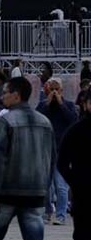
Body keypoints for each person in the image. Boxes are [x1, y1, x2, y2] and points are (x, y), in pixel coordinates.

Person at [0, 76, 55, 240]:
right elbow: (51, 159)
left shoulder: (6, 121)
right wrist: (45, 190)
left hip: (8, 192)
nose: (2, 97)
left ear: (16, 95)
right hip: (35, 193)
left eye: (5, 93)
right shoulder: (45, 122)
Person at [35, 76, 77, 225]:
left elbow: (72, 120)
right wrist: (48, 102)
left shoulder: (69, 105)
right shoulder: (43, 105)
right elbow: (37, 119)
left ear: (62, 91)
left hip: (62, 150)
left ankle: (60, 215)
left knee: (61, 185)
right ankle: (47, 213)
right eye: (51, 89)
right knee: (45, 185)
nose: (54, 92)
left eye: (56, 89)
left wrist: (60, 103)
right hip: (45, 149)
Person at [58, 91, 91, 240]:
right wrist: (77, 182)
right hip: (83, 195)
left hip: (82, 192)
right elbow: (62, 162)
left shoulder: (75, 130)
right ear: (86, 104)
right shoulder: (76, 130)